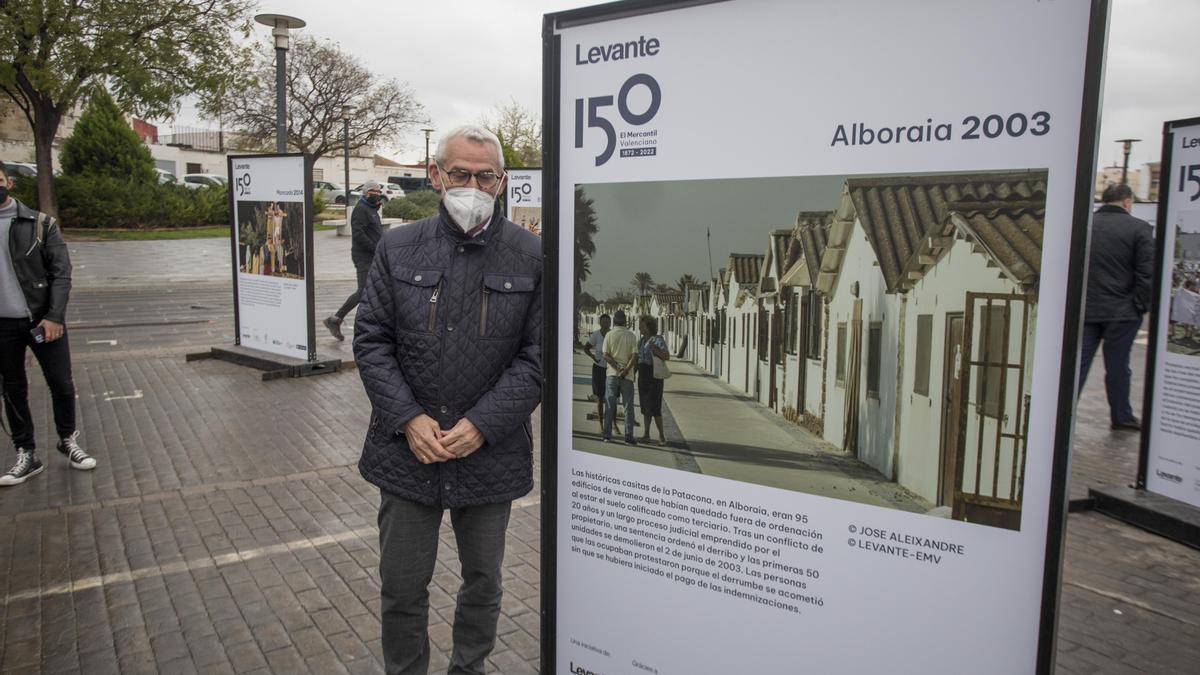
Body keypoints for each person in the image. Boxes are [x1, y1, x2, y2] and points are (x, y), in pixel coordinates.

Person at [353, 126, 541, 675]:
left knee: (483, 583)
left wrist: (483, 424)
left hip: (489, 454)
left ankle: (469, 669)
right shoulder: (398, 246)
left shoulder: (530, 254)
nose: (472, 185)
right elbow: (371, 341)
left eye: (485, 176)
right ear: (436, 175)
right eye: (460, 173)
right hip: (408, 454)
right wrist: (408, 419)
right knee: (402, 590)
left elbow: (538, 356)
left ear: (502, 183)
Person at [0, 162, 96, 486]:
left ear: (9, 183)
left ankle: (67, 439)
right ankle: (26, 453)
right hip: (2, 325)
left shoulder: (40, 223)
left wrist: (54, 316)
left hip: (42, 320)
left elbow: (61, 273)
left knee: (61, 384)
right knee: (12, 390)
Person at [1078, 183, 1154, 431]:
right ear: (1127, 201)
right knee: (1118, 367)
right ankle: (1121, 416)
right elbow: (1146, 274)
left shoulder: (1084, 225)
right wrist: (1140, 306)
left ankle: (1064, 411)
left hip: (1086, 309)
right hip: (1122, 312)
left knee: (1078, 365)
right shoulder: (1139, 229)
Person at [325, 181, 385, 340]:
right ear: (366, 193)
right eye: (375, 192)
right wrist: (376, 248)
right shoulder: (361, 210)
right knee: (363, 291)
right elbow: (359, 235)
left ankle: (376, 326)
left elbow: (375, 232)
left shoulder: (372, 210)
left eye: (379, 192)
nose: (378, 194)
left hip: (374, 256)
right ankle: (335, 319)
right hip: (363, 257)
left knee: (378, 290)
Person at [602, 309, 638, 444]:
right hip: (627, 377)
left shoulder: (609, 335)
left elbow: (606, 355)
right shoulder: (631, 335)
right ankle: (628, 437)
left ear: (614, 321)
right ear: (625, 321)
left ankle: (607, 435)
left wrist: (617, 369)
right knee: (628, 406)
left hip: (612, 374)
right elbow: (635, 355)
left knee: (610, 405)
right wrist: (625, 370)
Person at [637, 315, 670, 446]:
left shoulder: (657, 340)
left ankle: (662, 436)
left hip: (654, 376)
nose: (639, 326)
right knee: (645, 407)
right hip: (643, 375)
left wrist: (654, 349)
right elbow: (637, 358)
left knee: (655, 407)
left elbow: (666, 356)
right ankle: (646, 434)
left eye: (642, 325)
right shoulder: (640, 341)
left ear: (649, 326)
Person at [582, 313, 611, 432]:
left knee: (611, 398)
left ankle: (613, 424)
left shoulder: (612, 334)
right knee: (600, 398)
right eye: (603, 322)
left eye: (607, 322)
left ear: (610, 323)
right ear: (600, 323)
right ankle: (601, 425)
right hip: (598, 368)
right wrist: (593, 357)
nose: (605, 324)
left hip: (610, 369)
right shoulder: (596, 335)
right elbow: (586, 348)